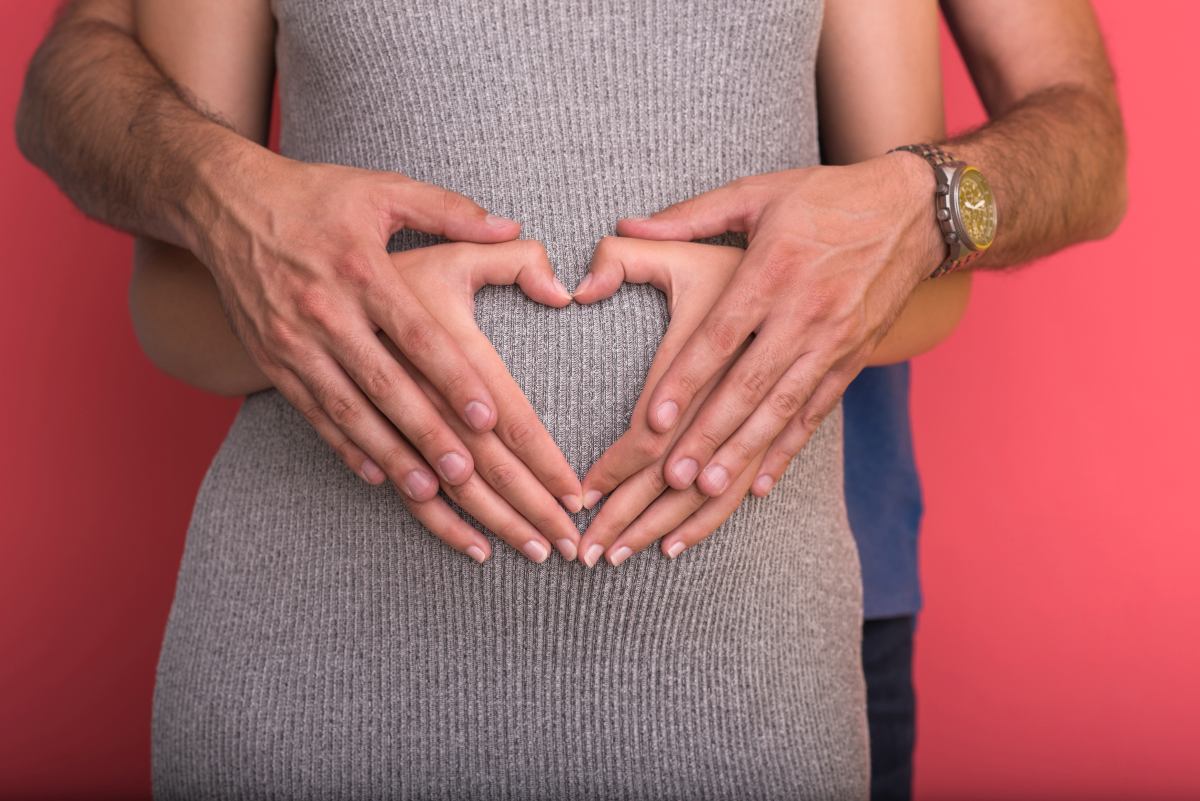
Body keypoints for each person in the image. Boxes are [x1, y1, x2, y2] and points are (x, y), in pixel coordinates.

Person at [14, 1, 1126, 798]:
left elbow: (926, 255)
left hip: (739, 674)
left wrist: (805, 288)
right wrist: (347, 314)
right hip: (309, 665)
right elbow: (178, 288)